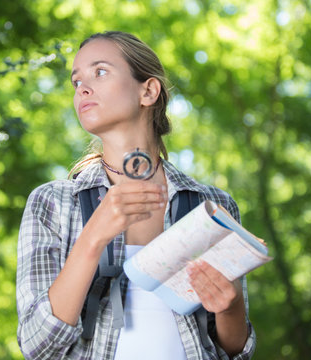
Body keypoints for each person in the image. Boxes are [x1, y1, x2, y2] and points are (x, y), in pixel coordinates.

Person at [17, 31, 256, 359]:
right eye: (76, 82)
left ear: (148, 90)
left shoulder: (212, 206)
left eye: (100, 72)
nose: (82, 88)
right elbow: (36, 344)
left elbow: (234, 351)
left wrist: (230, 306)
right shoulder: (53, 202)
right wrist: (93, 238)